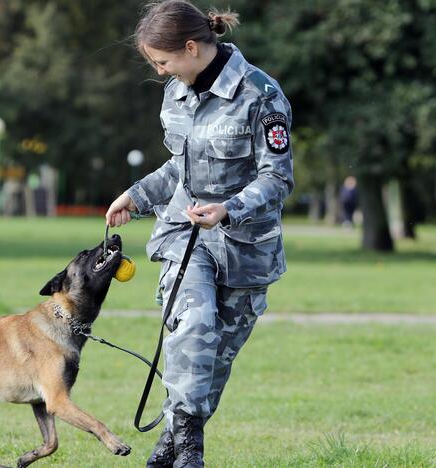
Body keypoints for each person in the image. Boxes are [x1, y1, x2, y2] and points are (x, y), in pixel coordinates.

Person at [105, 1, 294, 466]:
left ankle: (169, 447)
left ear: (191, 48)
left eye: (163, 61)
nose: (159, 70)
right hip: (185, 235)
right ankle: (191, 453)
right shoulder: (176, 94)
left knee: (212, 361)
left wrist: (228, 210)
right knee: (194, 327)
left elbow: (277, 178)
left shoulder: (261, 94)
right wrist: (137, 195)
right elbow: (179, 166)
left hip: (246, 244)